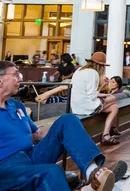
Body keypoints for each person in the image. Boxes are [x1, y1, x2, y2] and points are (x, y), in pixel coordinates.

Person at [0, 61, 123, 191]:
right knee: (52, 171)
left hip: (31, 156)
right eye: (15, 74)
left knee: (68, 119)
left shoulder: (16, 106)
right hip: (7, 168)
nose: (20, 78)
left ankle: (94, 175)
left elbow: (36, 135)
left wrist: (61, 128)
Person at [71, 52, 121, 145]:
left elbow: (89, 93)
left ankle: (107, 135)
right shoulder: (93, 73)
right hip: (86, 107)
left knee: (114, 108)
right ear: (101, 66)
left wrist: (102, 92)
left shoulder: (79, 70)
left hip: (75, 106)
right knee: (113, 99)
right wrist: (105, 95)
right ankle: (110, 131)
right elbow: (92, 96)